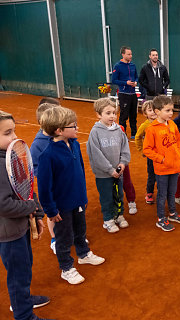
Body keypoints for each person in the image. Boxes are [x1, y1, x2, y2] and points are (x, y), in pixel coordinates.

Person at [38, 106, 105, 285]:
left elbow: (81, 172)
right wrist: (51, 210)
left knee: (80, 230)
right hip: (61, 207)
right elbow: (44, 188)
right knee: (64, 238)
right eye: (73, 126)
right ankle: (66, 268)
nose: (77, 128)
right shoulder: (48, 155)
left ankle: (83, 254)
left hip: (78, 201)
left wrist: (82, 197)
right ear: (59, 131)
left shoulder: (74, 144)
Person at [0, 111, 52, 320]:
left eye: (14, 130)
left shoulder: (9, 156)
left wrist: (37, 212)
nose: (14, 137)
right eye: (7, 132)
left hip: (19, 227)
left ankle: (23, 299)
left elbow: (26, 187)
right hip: (9, 234)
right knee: (18, 274)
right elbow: (4, 205)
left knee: (25, 266)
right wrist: (31, 207)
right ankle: (23, 315)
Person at [143, 95, 180, 231]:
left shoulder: (173, 124)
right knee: (162, 194)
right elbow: (147, 150)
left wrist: (179, 152)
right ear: (157, 111)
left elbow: (178, 140)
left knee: (172, 192)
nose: (171, 113)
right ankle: (161, 218)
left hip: (175, 166)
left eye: (171, 110)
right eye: (167, 110)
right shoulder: (152, 129)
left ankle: (172, 213)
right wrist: (161, 159)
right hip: (162, 169)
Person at [86, 98, 131, 233]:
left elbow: (125, 148)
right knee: (107, 197)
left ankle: (118, 215)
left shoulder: (119, 131)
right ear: (99, 115)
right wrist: (110, 170)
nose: (112, 116)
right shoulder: (95, 132)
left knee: (118, 195)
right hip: (103, 175)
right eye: (108, 113)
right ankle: (108, 220)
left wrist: (123, 163)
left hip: (119, 172)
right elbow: (96, 155)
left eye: (114, 113)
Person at [30, 100, 59, 255]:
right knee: (53, 213)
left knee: (67, 211)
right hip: (50, 186)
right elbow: (33, 168)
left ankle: (71, 234)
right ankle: (55, 239)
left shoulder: (59, 137)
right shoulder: (37, 145)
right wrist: (47, 174)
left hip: (63, 184)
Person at [112, 46, 138, 139]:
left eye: (131, 54)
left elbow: (136, 77)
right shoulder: (117, 66)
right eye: (128, 54)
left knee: (133, 116)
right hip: (123, 94)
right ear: (123, 54)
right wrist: (125, 83)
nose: (130, 56)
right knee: (124, 116)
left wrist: (135, 82)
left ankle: (134, 134)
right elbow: (114, 80)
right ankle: (123, 135)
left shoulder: (133, 65)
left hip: (133, 94)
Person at [135, 100, 157, 205]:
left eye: (154, 110)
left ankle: (163, 192)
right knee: (152, 176)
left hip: (162, 155)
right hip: (151, 157)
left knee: (162, 175)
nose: (153, 112)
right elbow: (138, 137)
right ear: (145, 113)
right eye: (150, 110)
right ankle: (149, 193)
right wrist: (142, 150)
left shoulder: (162, 123)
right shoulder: (144, 126)